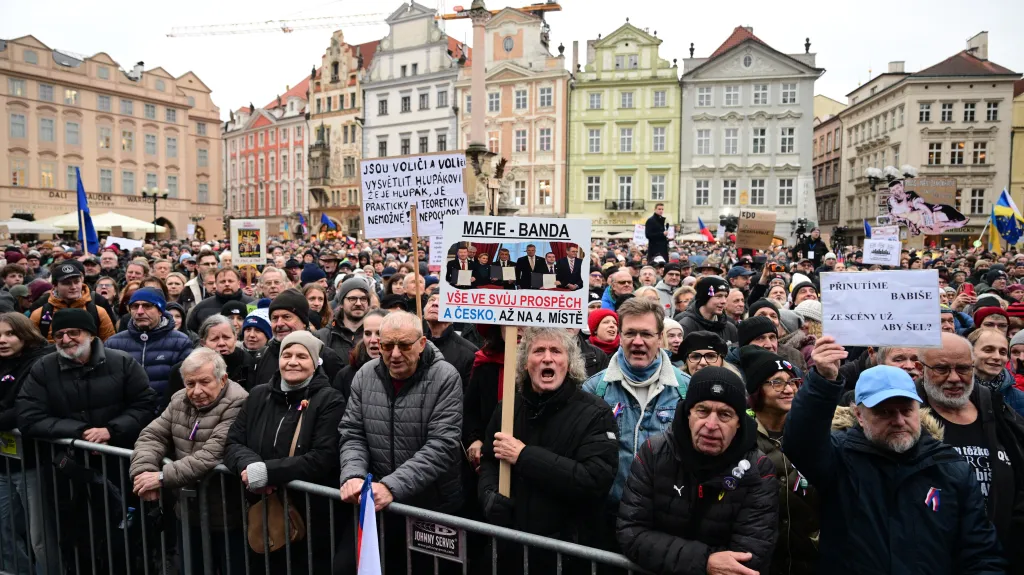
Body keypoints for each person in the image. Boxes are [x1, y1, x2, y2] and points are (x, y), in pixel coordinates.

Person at [784, 336, 1006, 574]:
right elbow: (801, 443)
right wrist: (823, 381)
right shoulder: (840, 458)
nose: (899, 421)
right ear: (859, 415)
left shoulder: (950, 467)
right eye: (885, 412)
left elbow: (979, 551)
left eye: (906, 410)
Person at [17, 308, 157, 574]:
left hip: (118, 464)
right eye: (59, 334)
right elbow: (29, 417)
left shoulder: (122, 362)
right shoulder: (43, 368)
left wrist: (110, 430)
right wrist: (80, 431)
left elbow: (145, 404)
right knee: (75, 536)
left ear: (91, 335)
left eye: (73, 332)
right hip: (67, 470)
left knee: (124, 533)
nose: (66, 339)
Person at [478, 327, 619, 575]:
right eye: (538, 351)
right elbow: (490, 459)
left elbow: (594, 480)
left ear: (569, 363)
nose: (547, 358)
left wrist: (524, 456)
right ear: (525, 363)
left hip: (567, 552)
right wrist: (489, 495)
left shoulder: (595, 413)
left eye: (556, 351)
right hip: (513, 546)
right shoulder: (509, 408)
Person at [616, 366, 779, 575]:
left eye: (725, 414)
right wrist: (706, 563)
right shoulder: (653, 454)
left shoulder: (758, 470)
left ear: (739, 422)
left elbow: (747, 558)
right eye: (702, 411)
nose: (711, 425)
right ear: (688, 414)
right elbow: (631, 533)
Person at [339, 311, 463, 573]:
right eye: (386, 345)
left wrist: (392, 486)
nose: (394, 354)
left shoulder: (445, 377)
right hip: (379, 503)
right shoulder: (365, 375)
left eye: (404, 345)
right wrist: (353, 474)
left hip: (430, 507)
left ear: (421, 344)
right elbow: (353, 432)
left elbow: (442, 445)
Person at [224, 331, 345, 575]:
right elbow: (233, 443)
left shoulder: (329, 400)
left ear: (315, 362)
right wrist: (251, 468)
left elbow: (322, 457)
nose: (292, 361)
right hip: (264, 510)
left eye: (302, 356)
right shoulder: (259, 395)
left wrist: (268, 473)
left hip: (309, 517)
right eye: (286, 354)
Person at [130, 348, 249, 575]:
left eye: (205, 382)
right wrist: (144, 471)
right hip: (187, 511)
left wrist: (162, 477)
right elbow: (152, 435)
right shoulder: (179, 399)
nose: (196, 391)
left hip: (229, 516)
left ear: (222, 379)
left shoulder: (239, 402)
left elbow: (212, 454)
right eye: (190, 383)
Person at [582, 298, 689, 543]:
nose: (637, 341)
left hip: (665, 520)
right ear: (620, 335)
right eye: (630, 333)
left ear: (660, 337)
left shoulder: (686, 390)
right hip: (606, 518)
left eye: (646, 334)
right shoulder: (594, 389)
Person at [919, 332, 1024, 568]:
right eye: (942, 368)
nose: (955, 378)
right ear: (921, 368)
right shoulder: (905, 419)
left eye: (964, 369)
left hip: (997, 556)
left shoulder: (998, 411)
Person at [740, 345, 819, 575]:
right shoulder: (740, 435)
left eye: (792, 381)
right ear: (757, 390)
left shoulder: (809, 432)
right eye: (777, 382)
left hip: (807, 558)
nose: (788, 389)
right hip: (759, 559)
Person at [0, 312, 54, 575]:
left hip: (33, 461)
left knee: (40, 537)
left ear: (25, 334)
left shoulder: (40, 362)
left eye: (9, 334)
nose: (2, 340)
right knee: (4, 530)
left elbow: (24, 410)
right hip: (4, 464)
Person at [105, 287, 193, 410]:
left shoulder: (181, 343)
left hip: (166, 416)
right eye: (135, 306)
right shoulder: (113, 344)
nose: (140, 311)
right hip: (125, 417)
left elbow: (186, 386)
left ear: (160, 311)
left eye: (147, 306)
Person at [253, 290, 344, 387]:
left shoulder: (326, 356)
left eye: (286, 317)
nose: (279, 324)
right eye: (274, 318)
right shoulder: (262, 355)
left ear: (304, 322)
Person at [166, 314, 254, 404]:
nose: (221, 343)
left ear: (235, 338)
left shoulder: (247, 361)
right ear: (203, 342)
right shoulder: (184, 369)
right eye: (214, 339)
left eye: (226, 337)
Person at [30, 260, 116, 342]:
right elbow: (33, 348)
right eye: (67, 283)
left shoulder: (98, 312)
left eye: (76, 282)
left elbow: (109, 345)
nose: (73, 287)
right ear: (55, 286)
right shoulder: (39, 314)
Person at [424, 293, 478, 389]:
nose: (435, 303)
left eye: (443, 301)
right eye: (431, 300)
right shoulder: (413, 345)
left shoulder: (469, 353)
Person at [316, 277, 369, 366]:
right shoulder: (324, 336)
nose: (359, 303)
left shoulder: (377, 334)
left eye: (363, 298)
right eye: (352, 299)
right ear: (341, 303)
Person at [971, 329, 1024, 417]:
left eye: (1003, 352)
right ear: (970, 352)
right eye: (988, 350)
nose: (997, 357)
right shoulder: (955, 392)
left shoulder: (1020, 398)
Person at [676, 275, 738, 344]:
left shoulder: (730, 328)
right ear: (704, 298)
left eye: (725, 296)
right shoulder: (686, 326)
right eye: (719, 296)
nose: (724, 301)